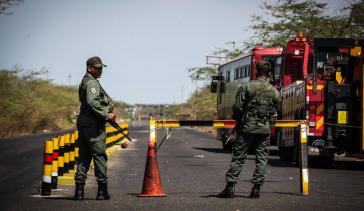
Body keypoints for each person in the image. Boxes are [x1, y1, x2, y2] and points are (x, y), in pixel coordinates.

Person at [218, 60, 279, 198]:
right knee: (262, 158)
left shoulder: (247, 87)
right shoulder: (274, 91)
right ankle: (256, 189)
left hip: (246, 128)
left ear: (257, 71)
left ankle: (229, 188)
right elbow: (275, 111)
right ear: (269, 74)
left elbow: (238, 107)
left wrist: (239, 121)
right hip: (264, 129)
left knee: (238, 158)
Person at [74, 56, 115, 200]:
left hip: (85, 122)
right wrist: (106, 114)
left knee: (84, 157)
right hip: (93, 124)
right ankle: (102, 191)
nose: (100, 70)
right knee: (99, 156)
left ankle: (79, 192)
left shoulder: (86, 81)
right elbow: (92, 103)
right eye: (97, 68)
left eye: (101, 67)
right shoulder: (92, 83)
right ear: (89, 68)